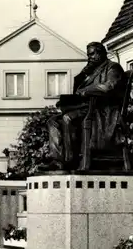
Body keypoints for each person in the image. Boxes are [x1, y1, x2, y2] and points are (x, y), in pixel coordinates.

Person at [43, 42, 127, 171]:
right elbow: (77, 90)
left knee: (68, 118)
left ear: (102, 52)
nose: (90, 57)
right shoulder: (92, 71)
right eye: (89, 55)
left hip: (103, 112)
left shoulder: (113, 68)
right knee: (53, 121)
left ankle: (70, 160)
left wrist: (86, 90)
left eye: (93, 54)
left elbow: (109, 86)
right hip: (87, 109)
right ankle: (57, 160)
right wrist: (83, 75)